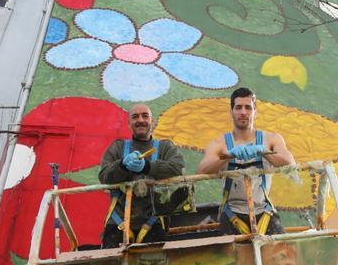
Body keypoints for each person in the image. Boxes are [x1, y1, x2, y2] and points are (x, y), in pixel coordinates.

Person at [197, 87, 295, 235]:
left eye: (248, 107)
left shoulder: (271, 139)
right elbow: (202, 170)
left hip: (264, 211)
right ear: (231, 112)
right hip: (231, 212)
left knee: (282, 254)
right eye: (238, 107)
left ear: (255, 111)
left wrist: (264, 152)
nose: (243, 112)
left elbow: (289, 162)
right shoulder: (220, 144)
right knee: (232, 258)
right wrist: (228, 156)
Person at [99, 103, 185, 248]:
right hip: (118, 223)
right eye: (135, 117)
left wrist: (147, 166)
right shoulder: (118, 148)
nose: (140, 120)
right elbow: (104, 176)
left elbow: (177, 168)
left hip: (154, 223)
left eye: (145, 116)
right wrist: (121, 165)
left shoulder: (165, 148)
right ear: (129, 123)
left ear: (152, 121)